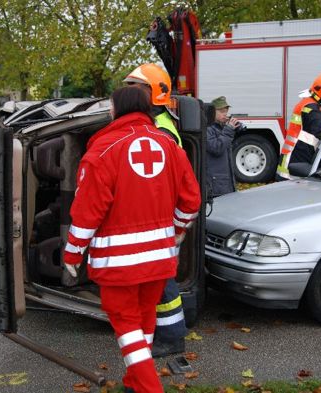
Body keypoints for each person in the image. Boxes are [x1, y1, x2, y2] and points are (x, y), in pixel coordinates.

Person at [63, 85, 201, 393]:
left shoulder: (102, 151)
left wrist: (73, 255)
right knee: (144, 319)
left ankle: (148, 388)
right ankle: (135, 384)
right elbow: (191, 201)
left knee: (127, 326)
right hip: (159, 259)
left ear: (116, 110)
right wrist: (176, 234)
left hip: (119, 266)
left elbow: (87, 214)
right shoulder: (169, 145)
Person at [123, 63, 190, 358]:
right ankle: (162, 333)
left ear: (153, 94)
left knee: (162, 283)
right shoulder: (154, 123)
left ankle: (173, 338)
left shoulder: (160, 130)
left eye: (135, 89)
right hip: (160, 218)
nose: (129, 95)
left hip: (162, 219)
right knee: (158, 280)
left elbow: (167, 182)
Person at [276, 73, 321, 180]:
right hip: (294, 161)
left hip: (297, 156)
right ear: (320, 92)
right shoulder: (311, 107)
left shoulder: (310, 104)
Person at [207, 96, 241, 197]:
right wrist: (229, 130)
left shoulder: (222, 128)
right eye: (221, 111)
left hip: (225, 183)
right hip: (215, 185)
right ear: (212, 112)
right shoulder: (208, 129)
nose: (225, 114)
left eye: (226, 111)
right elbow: (216, 148)